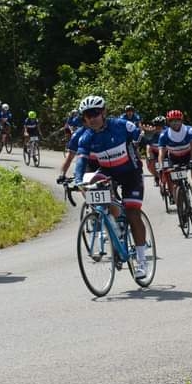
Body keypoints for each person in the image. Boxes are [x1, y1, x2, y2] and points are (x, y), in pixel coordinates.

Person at [57, 95, 148, 278]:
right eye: (87, 116)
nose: (92, 118)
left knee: (132, 213)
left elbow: (141, 136)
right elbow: (81, 162)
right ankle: (113, 226)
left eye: (95, 113)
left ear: (104, 112)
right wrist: (78, 181)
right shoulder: (85, 137)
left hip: (131, 173)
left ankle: (141, 260)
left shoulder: (121, 125)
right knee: (94, 190)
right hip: (107, 173)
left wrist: (144, 141)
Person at [157, 109, 192, 202]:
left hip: (188, 155)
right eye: (172, 121)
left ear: (181, 121)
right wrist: (161, 167)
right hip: (173, 158)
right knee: (170, 176)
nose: (175, 123)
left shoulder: (189, 130)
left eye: (177, 120)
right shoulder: (164, 135)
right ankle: (175, 195)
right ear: (168, 122)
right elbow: (161, 153)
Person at [145, 116, 166, 187]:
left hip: (165, 151)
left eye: (161, 126)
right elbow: (148, 146)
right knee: (150, 163)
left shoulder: (168, 131)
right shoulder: (150, 133)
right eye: (157, 126)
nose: (159, 128)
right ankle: (156, 176)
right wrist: (149, 155)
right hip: (154, 151)